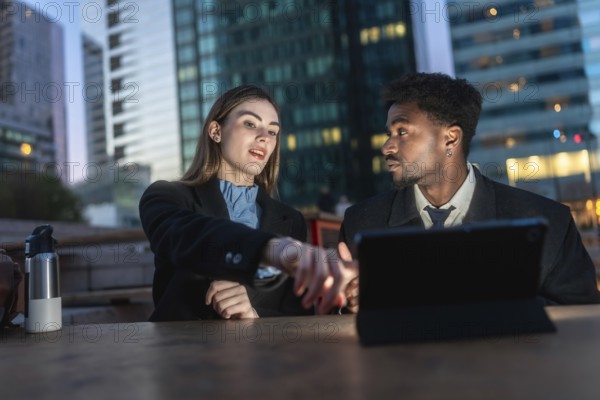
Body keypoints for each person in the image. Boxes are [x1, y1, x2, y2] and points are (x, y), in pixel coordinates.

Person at [339, 72, 600, 306]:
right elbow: (335, 320)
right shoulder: (360, 224)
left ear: (450, 137)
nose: (387, 147)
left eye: (402, 132)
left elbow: (581, 320)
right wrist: (348, 304)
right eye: (389, 133)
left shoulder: (550, 224)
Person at [140, 85, 355, 321]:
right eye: (250, 124)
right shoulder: (167, 195)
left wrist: (253, 316)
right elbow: (188, 236)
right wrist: (270, 249)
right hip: (181, 352)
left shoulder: (290, 221)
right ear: (216, 131)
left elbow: (295, 316)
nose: (264, 137)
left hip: (263, 356)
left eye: (273, 132)